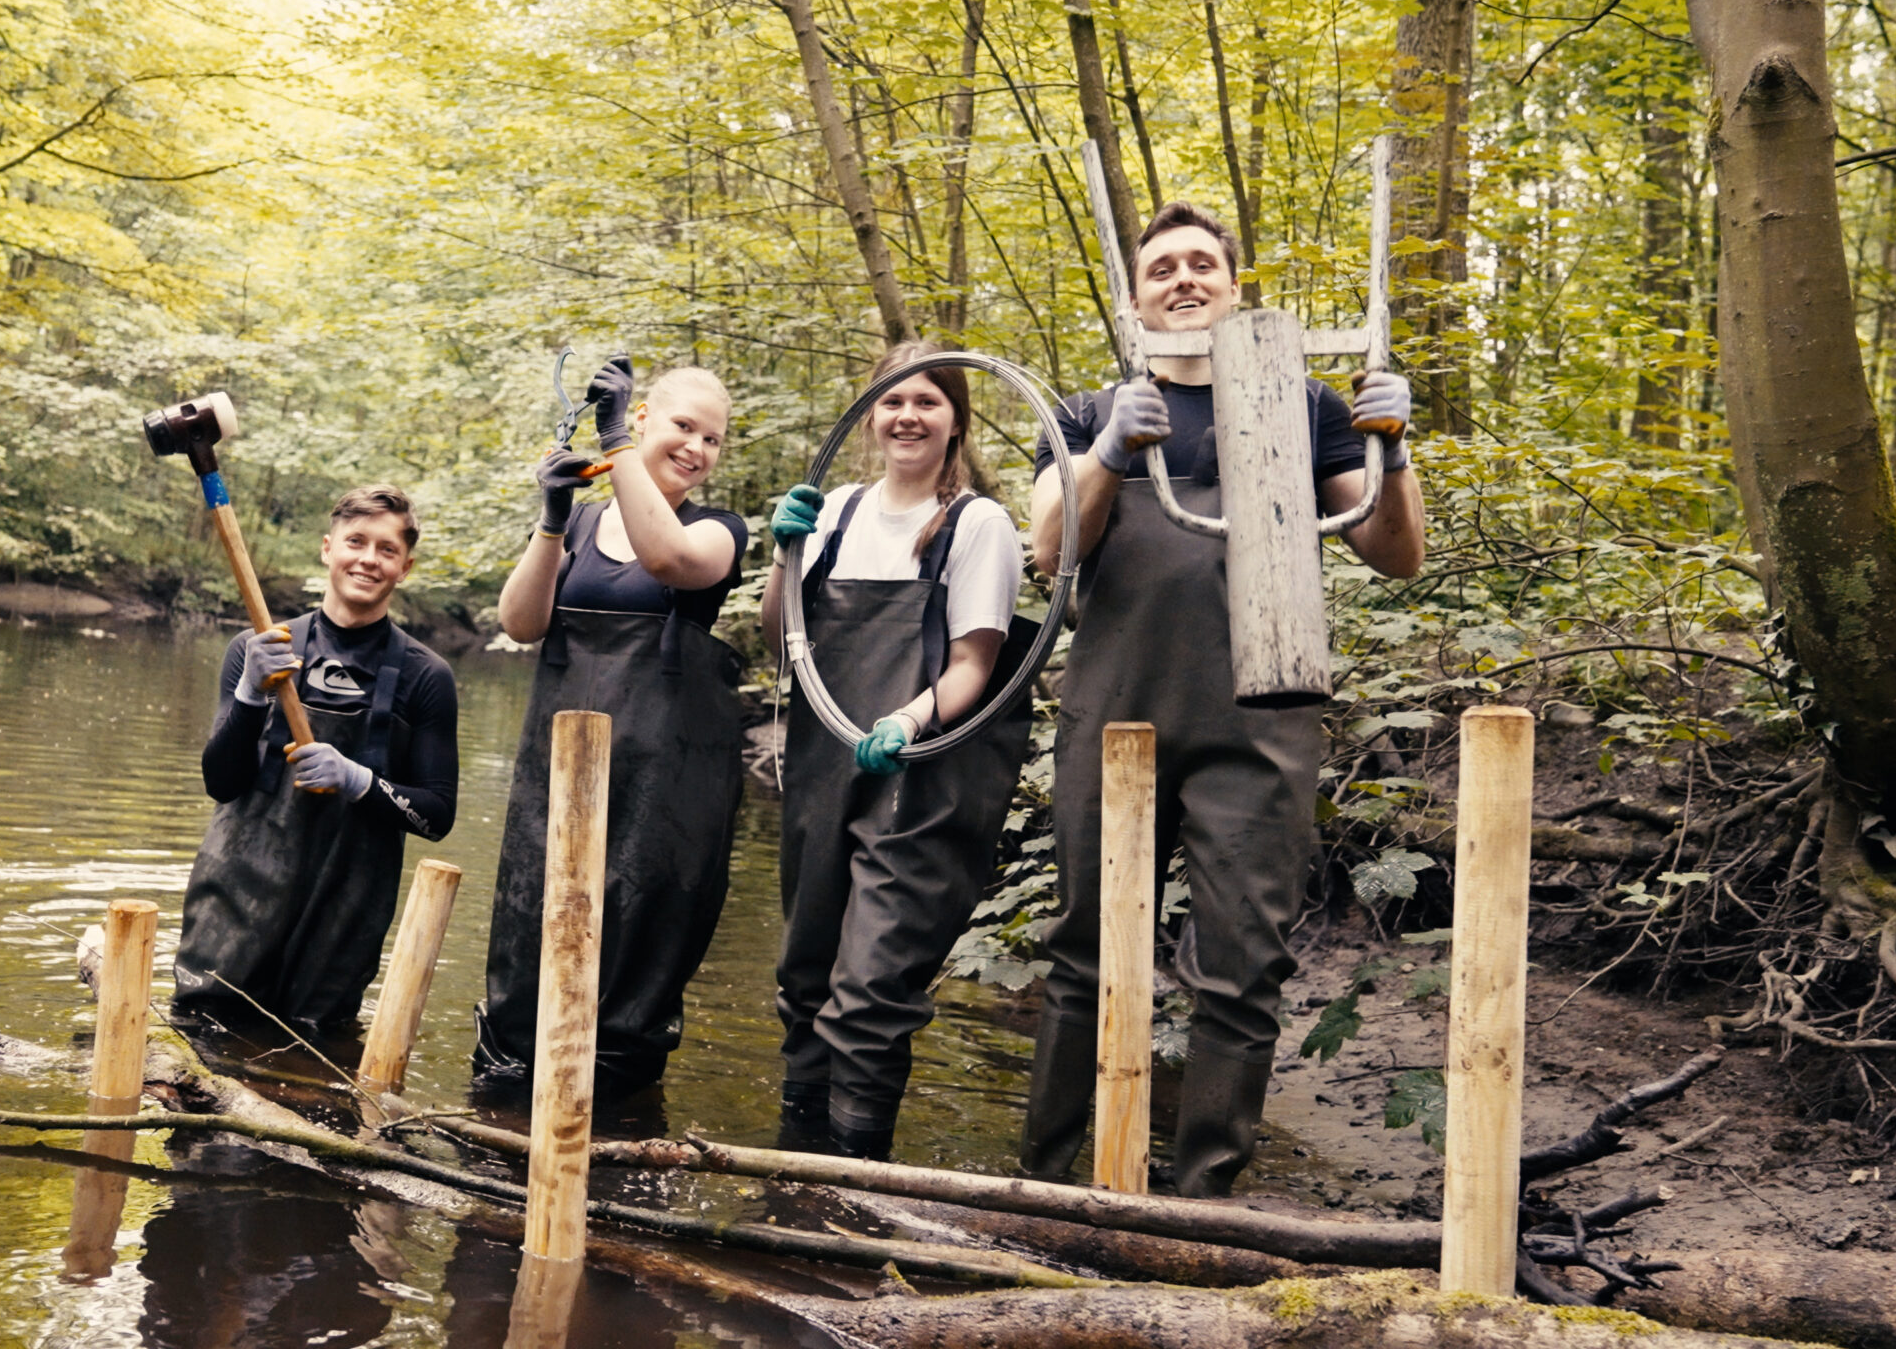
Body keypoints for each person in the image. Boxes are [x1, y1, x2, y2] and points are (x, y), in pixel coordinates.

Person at [1021, 201, 1425, 1196]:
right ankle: (1041, 1185)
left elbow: (1398, 555)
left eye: (1203, 263)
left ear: (1234, 286)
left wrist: (1393, 445)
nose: (1184, 279)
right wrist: (1111, 451)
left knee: (1243, 967)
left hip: (1263, 719)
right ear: (1135, 294)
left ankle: (1201, 1202)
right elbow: (1046, 547)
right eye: (1162, 268)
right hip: (1113, 711)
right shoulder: (1088, 411)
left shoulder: (1304, 403)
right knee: (1085, 952)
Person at [760, 339, 1034, 1160]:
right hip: (821, 774)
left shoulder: (979, 524)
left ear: (956, 419)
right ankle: (792, 1181)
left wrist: (909, 722)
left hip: (921, 781)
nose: (907, 415)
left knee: (870, 988)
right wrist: (784, 554)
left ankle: (855, 1183)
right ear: (870, 414)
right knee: (805, 979)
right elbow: (784, 643)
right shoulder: (834, 512)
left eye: (927, 401)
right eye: (892, 400)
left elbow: (974, 665)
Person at [473, 358, 749, 1098]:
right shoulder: (589, 523)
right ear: (649, 415)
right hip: (557, 777)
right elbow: (521, 622)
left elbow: (668, 557)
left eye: (713, 440)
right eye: (684, 426)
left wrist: (614, 441)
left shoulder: (718, 532)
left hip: (660, 795)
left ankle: (615, 1134)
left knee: (633, 952)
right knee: (531, 929)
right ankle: (503, 1111)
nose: (697, 448)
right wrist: (552, 520)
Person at [173, 484, 460, 1043]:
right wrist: (252, 695)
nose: (368, 559)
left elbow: (437, 814)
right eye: (356, 542)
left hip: (340, 924)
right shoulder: (256, 648)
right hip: (233, 906)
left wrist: (359, 781)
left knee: (309, 1071)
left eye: (386, 549)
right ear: (329, 548)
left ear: (406, 567)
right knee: (198, 1052)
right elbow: (220, 781)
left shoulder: (427, 677)